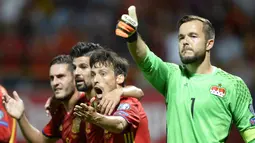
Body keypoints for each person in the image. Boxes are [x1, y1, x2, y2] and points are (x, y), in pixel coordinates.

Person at [115, 5, 255, 143]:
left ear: (209, 44)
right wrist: (133, 37)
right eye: (181, 37)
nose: (185, 41)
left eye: (193, 36)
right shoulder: (172, 76)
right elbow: (144, 58)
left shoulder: (233, 85)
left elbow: (251, 135)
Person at [73, 49, 150, 143]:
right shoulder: (94, 106)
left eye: (103, 73)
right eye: (93, 75)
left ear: (119, 78)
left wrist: (95, 118)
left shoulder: (128, 101)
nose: (96, 79)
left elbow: (119, 125)